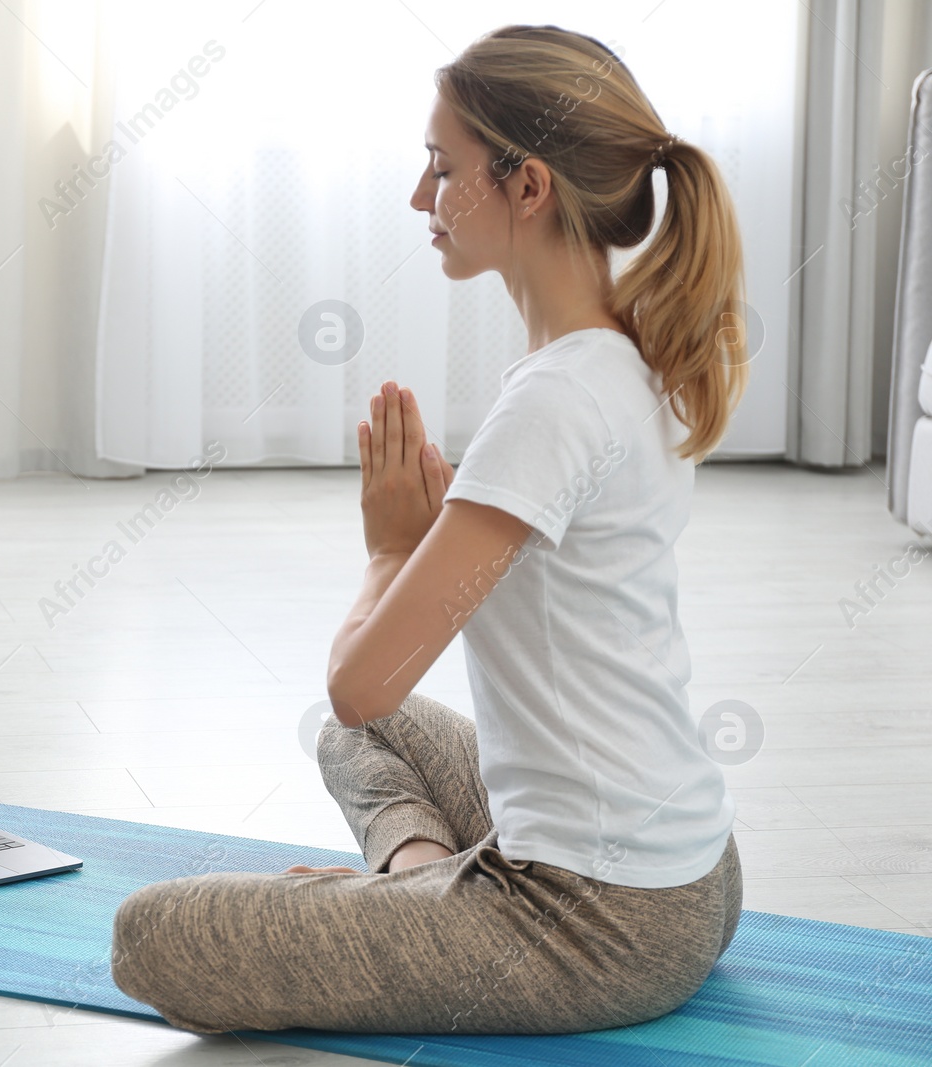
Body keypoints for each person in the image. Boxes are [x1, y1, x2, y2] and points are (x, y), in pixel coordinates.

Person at [110, 24, 749, 1035]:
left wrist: (388, 550)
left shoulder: (551, 403)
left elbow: (361, 676)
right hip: (696, 873)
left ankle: (419, 891)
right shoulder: (630, 356)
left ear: (527, 186)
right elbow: (370, 710)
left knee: (152, 935)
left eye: (440, 168)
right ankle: (417, 875)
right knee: (359, 742)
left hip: (597, 919)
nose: (420, 198)